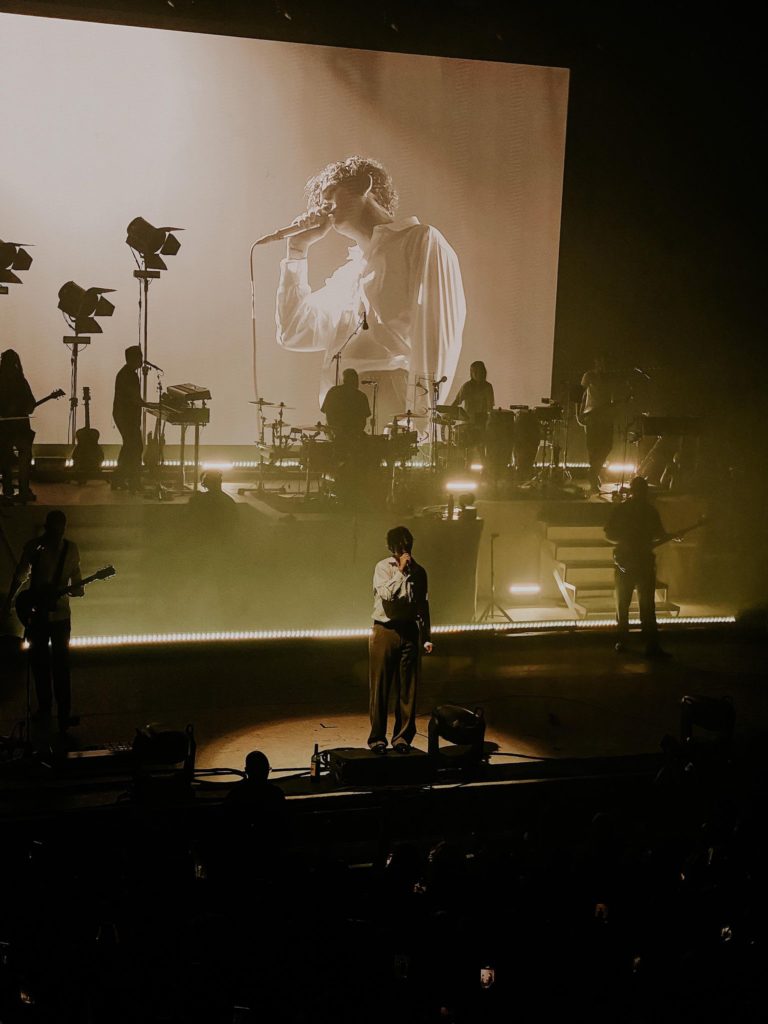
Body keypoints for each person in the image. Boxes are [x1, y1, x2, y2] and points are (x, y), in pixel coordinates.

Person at [275, 155, 466, 428]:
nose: (323, 205)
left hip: (394, 396)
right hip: (342, 401)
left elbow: (437, 336)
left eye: (330, 193)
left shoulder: (420, 240)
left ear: (365, 186)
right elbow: (293, 332)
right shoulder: (349, 273)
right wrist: (296, 252)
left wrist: (421, 424)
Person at [1, 510, 83, 730]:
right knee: (56, 665)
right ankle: (60, 713)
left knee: (46, 665)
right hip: (54, 617)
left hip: (47, 616)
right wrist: (76, 589)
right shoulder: (66, 549)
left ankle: (48, 710)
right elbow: (77, 582)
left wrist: (11, 600)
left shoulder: (36, 547)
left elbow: (20, 575)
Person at [368, 525, 432, 754]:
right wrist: (400, 571)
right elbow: (386, 594)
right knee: (380, 688)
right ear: (392, 547)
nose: (405, 549)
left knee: (408, 688)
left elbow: (423, 605)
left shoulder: (420, 572)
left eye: (408, 544)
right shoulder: (383, 568)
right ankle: (377, 739)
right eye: (400, 546)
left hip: (410, 631)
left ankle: (402, 738)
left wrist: (426, 636)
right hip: (385, 630)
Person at [604, 476, 678, 657]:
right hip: (642, 561)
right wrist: (670, 536)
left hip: (625, 562)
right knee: (646, 606)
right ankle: (651, 645)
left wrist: (624, 543)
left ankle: (623, 642)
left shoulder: (622, 509)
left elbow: (608, 533)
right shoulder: (650, 511)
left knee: (623, 604)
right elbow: (659, 535)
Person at [0, 348, 36, 504]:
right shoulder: (21, 381)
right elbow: (31, 404)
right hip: (20, 427)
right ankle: (22, 490)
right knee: (23, 460)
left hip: (5, 428)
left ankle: (8, 490)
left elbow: (30, 404)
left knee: (5, 460)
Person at [578, 353, 617, 494]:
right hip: (592, 415)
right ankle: (593, 477)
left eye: (605, 362)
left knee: (607, 446)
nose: (603, 365)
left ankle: (593, 472)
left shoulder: (610, 377)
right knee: (593, 447)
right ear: (596, 362)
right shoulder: (589, 375)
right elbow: (581, 395)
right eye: (600, 362)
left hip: (606, 416)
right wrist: (580, 413)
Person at [111, 345, 144, 492]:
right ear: (133, 359)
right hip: (126, 416)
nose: (142, 360)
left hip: (123, 415)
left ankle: (119, 479)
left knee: (129, 447)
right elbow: (133, 398)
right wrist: (149, 404)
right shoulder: (129, 375)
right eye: (140, 357)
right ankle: (133, 481)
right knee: (136, 447)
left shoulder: (127, 373)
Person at [452, 360, 495, 458]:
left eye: (477, 371)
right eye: (473, 372)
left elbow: (490, 407)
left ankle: (484, 469)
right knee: (468, 449)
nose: (475, 374)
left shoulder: (488, 387)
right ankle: (467, 467)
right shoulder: (467, 386)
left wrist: (489, 422)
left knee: (482, 450)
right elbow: (456, 401)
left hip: (482, 422)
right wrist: (448, 412)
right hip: (468, 422)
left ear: (483, 372)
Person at [321, 367, 371, 442]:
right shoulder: (361, 396)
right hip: (354, 436)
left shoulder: (333, 391)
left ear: (344, 380)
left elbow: (327, 412)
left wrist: (334, 431)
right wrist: (356, 433)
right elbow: (363, 420)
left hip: (337, 434)